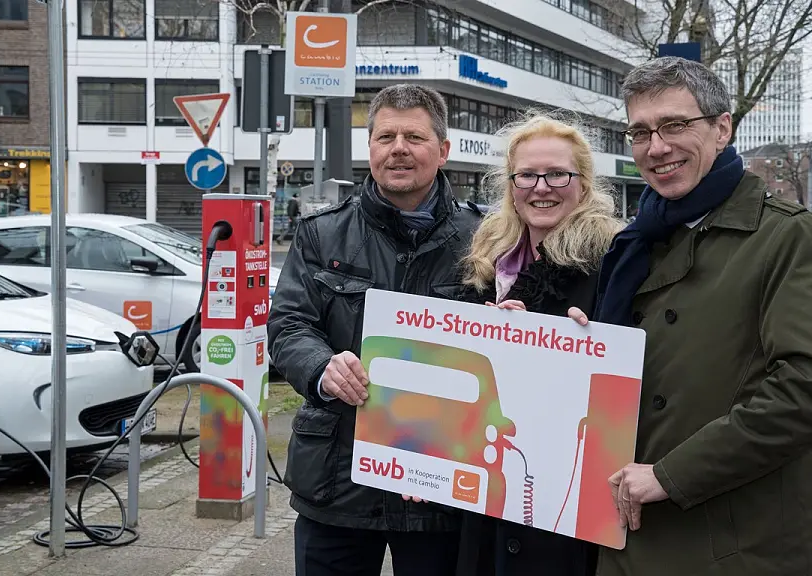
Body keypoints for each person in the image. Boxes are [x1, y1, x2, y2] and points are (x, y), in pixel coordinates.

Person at [567, 56, 812, 576]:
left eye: (675, 125)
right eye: (640, 132)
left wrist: (671, 474)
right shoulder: (636, 242)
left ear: (722, 129)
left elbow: (801, 389)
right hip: (623, 533)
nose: (656, 147)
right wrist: (547, 341)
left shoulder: (788, 237)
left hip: (731, 541)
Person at [267, 84, 485, 576]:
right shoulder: (321, 233)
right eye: (386, 137)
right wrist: (321, 367)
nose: (398, 148)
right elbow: (288, 324)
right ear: (370, 148)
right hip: (337, 478)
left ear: (443, 150)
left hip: (440, 485)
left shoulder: (484, 239)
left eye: (414, 137)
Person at [452, 111, 622, 576]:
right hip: (488, 485)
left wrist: (582, 342)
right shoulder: (487, 257)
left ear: (583, 185)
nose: (541, 187)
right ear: (511, 186)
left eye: (557, 174)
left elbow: (623, 387)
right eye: (527, 175)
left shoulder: (612, 261)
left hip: (561, 497)